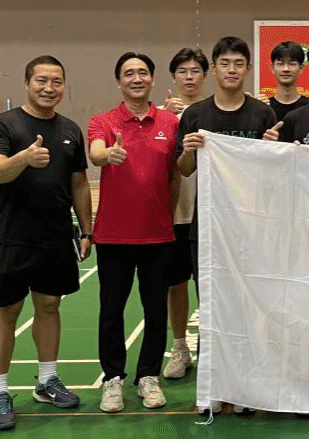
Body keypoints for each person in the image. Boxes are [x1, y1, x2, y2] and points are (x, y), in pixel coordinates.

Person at [0, 55, 93, 432]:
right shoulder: (4, 125)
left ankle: (47, 381)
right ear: (27, 84)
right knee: (7, 311)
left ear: (64, 86)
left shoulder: (70, 130)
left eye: (56, 81)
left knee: (49, 305)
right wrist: (25, 157)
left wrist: (86, 230)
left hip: (56, 236)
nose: (49, 88)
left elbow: (79, 183)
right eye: (42, 80)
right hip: (14, 236)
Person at [175, 36, 281, 415]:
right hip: (207, 229)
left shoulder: (262, 115)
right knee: (212, 307)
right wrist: (188, 150)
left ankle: (246, 390)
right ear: (214, 69)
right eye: (225, 63)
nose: (232, 69)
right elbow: (184, 169)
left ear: (247, 69)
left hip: (251, 229)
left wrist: (271, 148)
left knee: (248, 309)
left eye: (239, 63)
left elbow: (274, 173)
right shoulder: (195, 115)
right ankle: (212, 388)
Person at [87, 52, 180, 413]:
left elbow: (175, 175)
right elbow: (95, 152)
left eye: (143, 72)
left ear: (152, 80)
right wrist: (106, 154)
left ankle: (148, 377)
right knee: (111, 312)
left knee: (156, 312)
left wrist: (167, 214)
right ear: (119, 82)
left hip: (158, 235)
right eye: (129, 73)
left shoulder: (170, 122)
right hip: (113, 236)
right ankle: (113, 379)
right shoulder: (103, 121)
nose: (136, 78)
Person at [159, 48, 209, 381]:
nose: (189, 77)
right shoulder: (162, 117)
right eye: (182, 71)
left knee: (209, 285)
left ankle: (212, 349)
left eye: (195, 71)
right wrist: (164, 117)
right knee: (175, 284)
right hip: (175, 213)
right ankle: (180, 348)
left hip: (210, 214)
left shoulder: (215, 112)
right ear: (173, 77)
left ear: (206, 75)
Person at [265, 40, 309, 121]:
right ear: (272, 68)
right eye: (280, 64)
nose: (286, 69)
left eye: (292, 64)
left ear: (301, 68)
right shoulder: (264, 107)